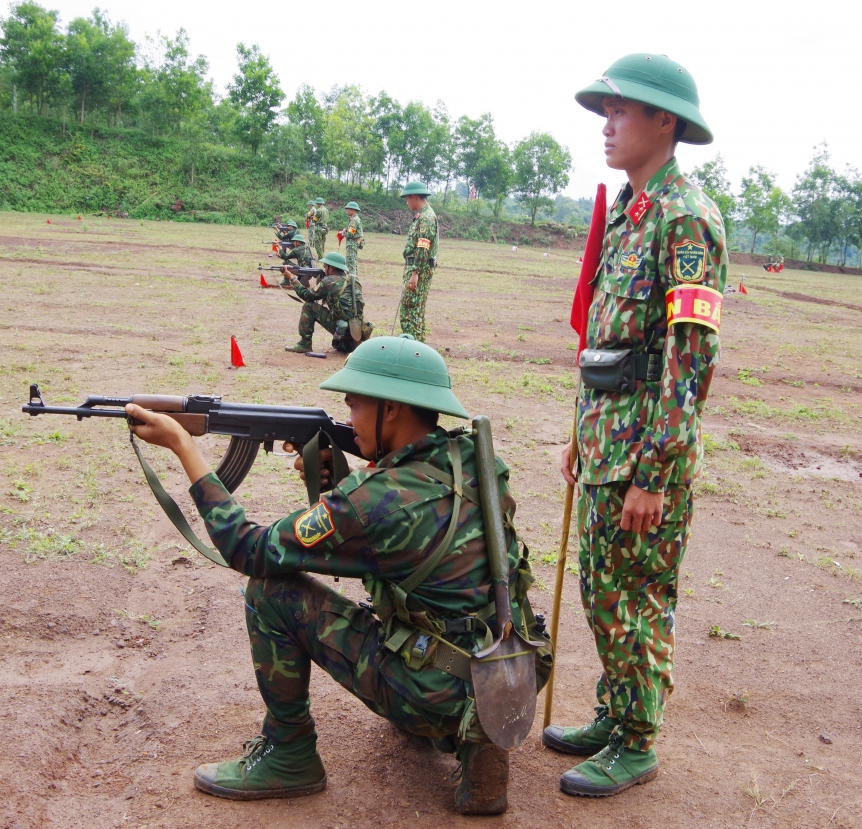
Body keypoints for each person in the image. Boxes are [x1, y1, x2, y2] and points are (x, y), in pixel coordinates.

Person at [125, 334, 531, 814]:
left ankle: (289, 753)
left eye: (354, 404)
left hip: (434, 690)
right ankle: (477, 739)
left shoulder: (372, 500)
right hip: (509, 670)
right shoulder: (472, 462)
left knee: (270, 591)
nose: (348, 416)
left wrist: (183, 448)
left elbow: (248, 549)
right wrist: (335, 486)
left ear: (391, 410)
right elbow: (402, 545)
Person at [549, 53, 728, 797]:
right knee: (601, 589)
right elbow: (611, 344)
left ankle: (639, 739)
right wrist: (580, 435)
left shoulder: (686, 220)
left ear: (666, 121)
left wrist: (654, 474)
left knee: (637, 596)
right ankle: (615, 715)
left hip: (644, 457)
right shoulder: (630, 211)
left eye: (622, 112)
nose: (607, 125)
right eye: (605, 112)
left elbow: (687, 362)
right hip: (607, 441)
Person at [282, 252, 366, 354]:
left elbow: (307, 296)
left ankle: (305, 344)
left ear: (332, 268)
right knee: (339, 346)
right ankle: (347, 343)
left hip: (342, 329)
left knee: (309, 306)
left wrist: (292, 278)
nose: (324, 269)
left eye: (326, 266)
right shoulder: (354, 279)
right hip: (355, 330)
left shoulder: (329, 281)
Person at [399, 181, 438, 342]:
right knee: (415, 313)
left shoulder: (426, 217)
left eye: (408, 199)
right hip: (417, 267)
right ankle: (417, 348)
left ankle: (413, 350)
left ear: (415, 197)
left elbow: (423, 248)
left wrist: (415, 273)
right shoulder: (423, 215)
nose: (407, 202)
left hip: (418, 268)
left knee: (410, 312)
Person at [340, 201, 365, 277]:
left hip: (352, 244)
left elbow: (351, 234)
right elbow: (352, 231)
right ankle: (355, 282)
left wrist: (343, 233)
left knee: (350, 264)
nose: (347, 210)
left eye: (348, 209)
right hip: (354, 243)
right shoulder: (355, 219)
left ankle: (352, 283)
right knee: (353, 263)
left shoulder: (354, 220)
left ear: (353, 210)